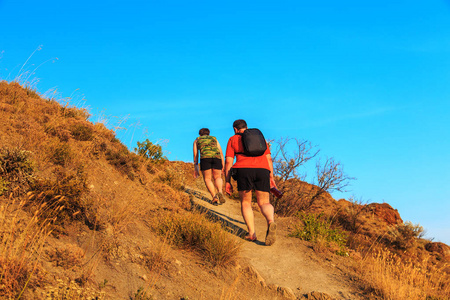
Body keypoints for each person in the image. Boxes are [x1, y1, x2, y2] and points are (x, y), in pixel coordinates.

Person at [224, 119, 277, 246]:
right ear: (246, 128)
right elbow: (269, 159)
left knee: (246, 203)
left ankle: (252, 233)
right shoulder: (260, 139)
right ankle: (270, 221)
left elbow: (228, 162)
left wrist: (227, 181)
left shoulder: (233, 139)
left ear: (235, 129)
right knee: (264, 202)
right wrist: (271, 177)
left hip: (244, 170)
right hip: (263, 170)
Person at [193, 128, 226, 205]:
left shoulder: (197, 140)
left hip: (205, 158)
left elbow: (195, 154)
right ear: (208, 133)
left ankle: (214, 197)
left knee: (207, 179)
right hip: (216, 158)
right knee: (218, 177)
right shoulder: (214, 139)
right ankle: (220, 192)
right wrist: (223, 166)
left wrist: (196, 166)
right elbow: (221, 153)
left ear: (200, 134)